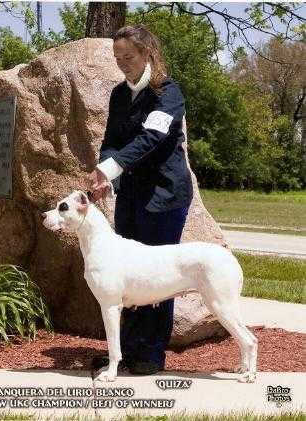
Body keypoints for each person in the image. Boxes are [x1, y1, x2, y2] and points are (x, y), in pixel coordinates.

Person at [88, 24, 193, 375]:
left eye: (128, 57)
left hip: (164, 197)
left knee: (158, 278)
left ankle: (150, 354)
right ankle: (125, 353)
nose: (122, 64)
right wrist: (105, 173)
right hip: (131, 198)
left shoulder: (168, 92)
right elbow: (111, 140)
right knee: (125, 277)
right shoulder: (120, 94)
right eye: (117, 58)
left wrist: (113, 167)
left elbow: (152, 137)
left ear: (147, 53)